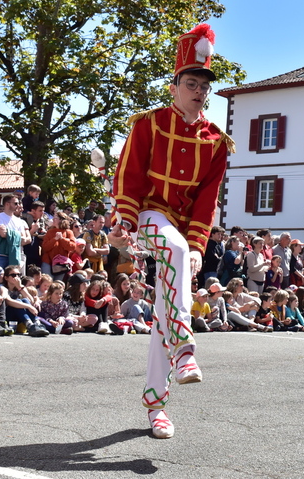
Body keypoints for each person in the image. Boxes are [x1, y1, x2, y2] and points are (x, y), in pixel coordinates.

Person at [109, 24, 232, 438]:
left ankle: (156, 405)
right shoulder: (149, 123)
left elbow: (207, 201)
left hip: (181, 232)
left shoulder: (217, 141)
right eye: (191, 83)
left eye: (204, 86)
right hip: (148, 215)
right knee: (175, 252)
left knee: (165, 307)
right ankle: (184, 345)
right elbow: (128, 177)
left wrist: (198, 246)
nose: (198, 91)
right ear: (174, 86)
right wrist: (124, 225)